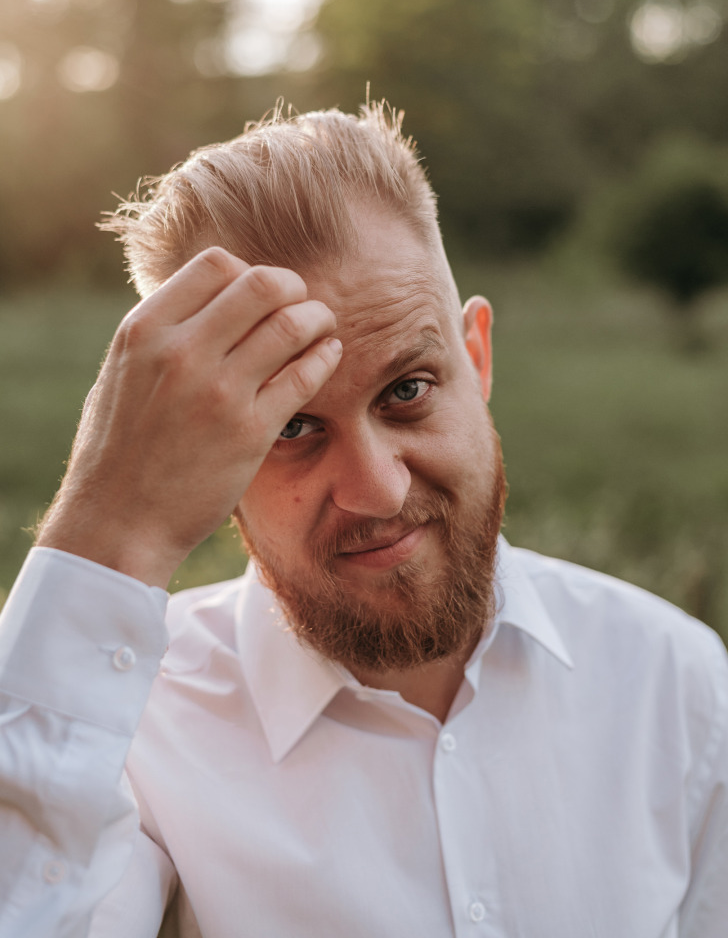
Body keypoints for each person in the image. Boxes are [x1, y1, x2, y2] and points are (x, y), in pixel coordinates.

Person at [0, 103, 726, 938]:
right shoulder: (126, 734)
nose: (376, 490)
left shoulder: (676, 685)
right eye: (291, 427)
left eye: (407, 391)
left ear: (477, 356)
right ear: (211, 445)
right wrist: (107, 521)